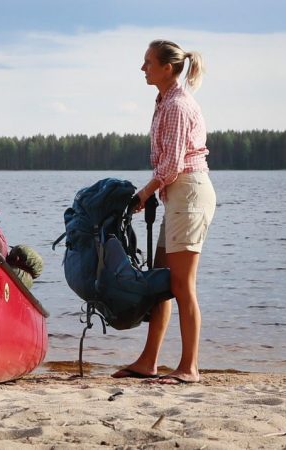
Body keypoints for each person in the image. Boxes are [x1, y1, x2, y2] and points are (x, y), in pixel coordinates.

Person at [112, 40, 217, 384]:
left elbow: (171, 164)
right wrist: (155, 194)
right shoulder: (164, 102)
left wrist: (145, 193)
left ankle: (189, 368)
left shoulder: (176, 106)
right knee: (161, 281)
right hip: (178, 195)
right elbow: (167, 165)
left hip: (189, 193)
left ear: (166, 68)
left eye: (148, 62)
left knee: (183, 284)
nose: (143, 68)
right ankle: (148, 361)